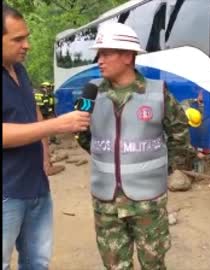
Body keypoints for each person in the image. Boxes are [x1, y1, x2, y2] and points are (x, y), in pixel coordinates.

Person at [76, 22, 197, 270]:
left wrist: (170, 169)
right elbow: (81, 133)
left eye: (106, 53)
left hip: (148, 201)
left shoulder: (157, 92)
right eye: (98, 54)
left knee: (153, 264)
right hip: (105, 200)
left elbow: (179, 134)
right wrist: (109, 157)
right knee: (114, 266)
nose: (99, 60)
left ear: (128, 56)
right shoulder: (90, 93)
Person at [2, 3, 91, 269]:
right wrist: (57, 126)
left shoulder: (19, 70)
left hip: (37, 187)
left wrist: (45, 159)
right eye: (18, 39)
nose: (27, 45)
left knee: (37, 262)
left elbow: (35, 112)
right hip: (7, 193)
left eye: (27, 37)